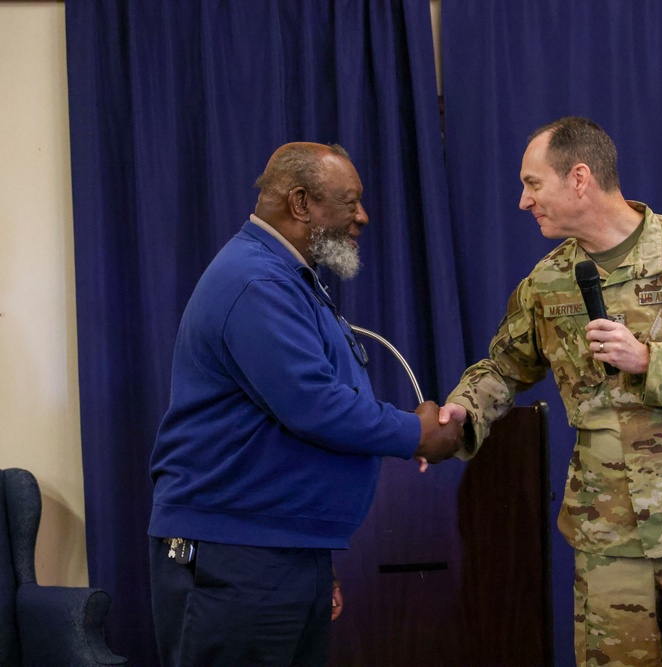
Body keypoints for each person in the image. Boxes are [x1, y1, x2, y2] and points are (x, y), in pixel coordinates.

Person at [439, 117, 662, 667]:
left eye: (533, 183)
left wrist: (651, 361)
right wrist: (460, 411)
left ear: (579, 178)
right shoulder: (548, 280)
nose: (524, 201)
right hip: (606, 534)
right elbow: (504, 368)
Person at [148, 142, 462, 666]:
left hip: (277, 550)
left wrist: (309, 553)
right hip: (238, 559)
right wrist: (416, 433)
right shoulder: (256, 280)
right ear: (300, 204)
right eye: (350, 201)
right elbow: (313, 405)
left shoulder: (286, 277)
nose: (363, 216)